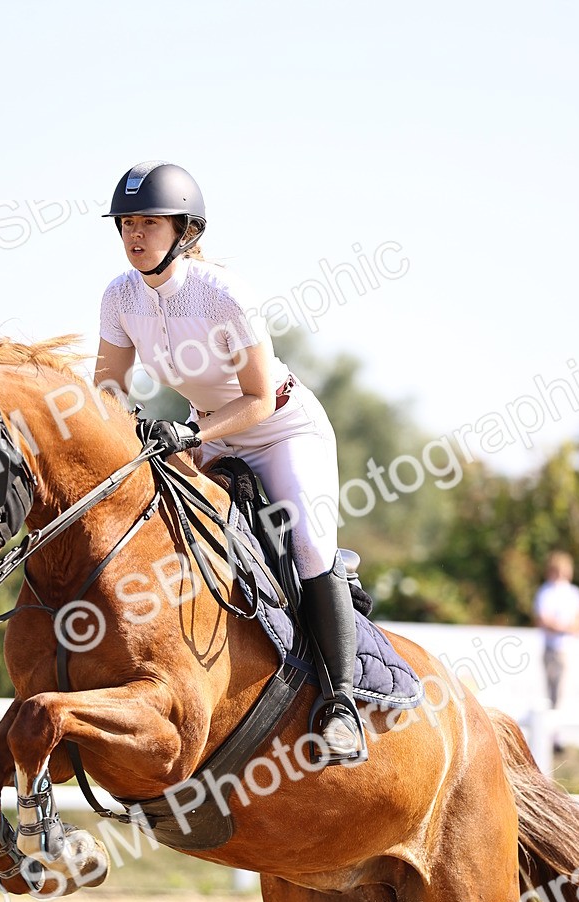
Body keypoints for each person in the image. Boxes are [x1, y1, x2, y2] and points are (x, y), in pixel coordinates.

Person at [94, 160, 361, 763]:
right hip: (207, 430)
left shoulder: (223, 293)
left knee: (309, 544)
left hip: (281, 428)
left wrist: (189, 433)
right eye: (127, 223)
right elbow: (107, 390)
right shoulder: (119, 296)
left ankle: (341, 706)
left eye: (149, 222)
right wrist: (127, 431)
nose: (135, 234)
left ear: (184, 229)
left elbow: (259, 397)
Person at [533, 550, 579, 711]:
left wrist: (559, 627)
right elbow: (543, 621)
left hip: (567, 650)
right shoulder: (545, 591)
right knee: (551, 693)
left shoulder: (574, 593)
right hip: (550, 648)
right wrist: (565, 627)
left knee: (563, 693)